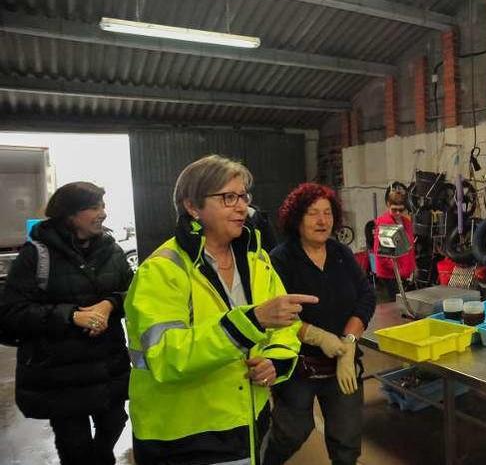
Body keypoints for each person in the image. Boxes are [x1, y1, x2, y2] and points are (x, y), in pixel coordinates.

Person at [124, 154, 314, 465]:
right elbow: (167, 356)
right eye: (228, 197)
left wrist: (275, 361)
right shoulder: (163, 270)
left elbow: (286, 326)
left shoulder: (257, 261)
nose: (242, 207)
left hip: (248, 423)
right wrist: (248, 322)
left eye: (243, 196)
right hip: (185, 437)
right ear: (192, 207)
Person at [0, 181, 133, 465]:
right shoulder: (36, 254)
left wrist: (109, 304)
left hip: (107, 367)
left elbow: (132, 293)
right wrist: (72, 315)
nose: (103, 213)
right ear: (69, 214)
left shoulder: (111, 249)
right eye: (94, 207)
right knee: (75, 446)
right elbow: (11, 313)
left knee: (115, 423)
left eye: (103, 205)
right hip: (60, 376)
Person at [263, 183, 376, 465]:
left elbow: (366, 296)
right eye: (313, 213)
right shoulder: (280, 259)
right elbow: (277, 314)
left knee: (347, 440)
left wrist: (349, 343)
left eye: (327, 213)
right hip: (298, 367)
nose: (322, 220)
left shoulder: (341, 253)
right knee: (291, 432)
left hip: (342, 362)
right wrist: (316, 336)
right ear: (297, 218)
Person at [372, 189, 415, 300]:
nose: (397, 213)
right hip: (390, 274)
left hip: (403, 272)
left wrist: (413, 267)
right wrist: (398, 270)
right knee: (396, 306)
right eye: (394, 210)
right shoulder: (384, 222)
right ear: (388, 205)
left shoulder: (407, 222)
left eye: (400, 210)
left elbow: (409, 247)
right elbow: (381, 253)